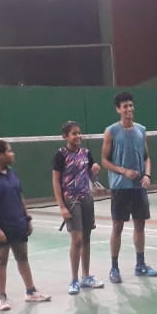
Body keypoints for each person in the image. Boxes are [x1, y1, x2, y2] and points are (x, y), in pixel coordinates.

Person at [0, 139, 50, 310]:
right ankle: (2, 297)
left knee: (22, 257)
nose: (13, 154)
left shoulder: (13, 173)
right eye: (9, 151)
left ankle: (31, 291)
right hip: (0, 226)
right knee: (1, 260)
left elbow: (20, 197)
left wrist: (27, 218)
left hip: (17, 223)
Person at [101, 92, 157, 282]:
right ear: (118, 109)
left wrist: (148, 175)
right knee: (117, 226)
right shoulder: (111, 131)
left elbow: (146, 157)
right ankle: (114, 268)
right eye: (125, 106)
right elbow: (104, 161)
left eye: (131, 106)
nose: (129, 110)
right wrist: (123, 171)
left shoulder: (141, 130)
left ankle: (140, 265)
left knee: (140, 225)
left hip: (138, 188)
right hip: (120, 187)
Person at [52, 121, 104, 295]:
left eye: (79, 133)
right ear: (65, 136)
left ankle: (86, 277)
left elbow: (89, 174)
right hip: (71, 201)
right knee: (77, 240)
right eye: (74, 134)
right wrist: (61, 206)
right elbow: (56, 182)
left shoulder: (86, 153)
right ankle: (74, 279)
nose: (78, 136)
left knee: (87, 238)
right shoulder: (61, 155)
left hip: (87, 199)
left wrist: (95, 170)